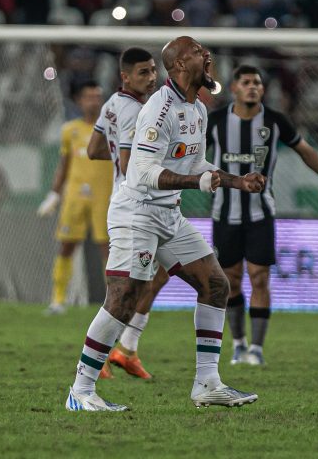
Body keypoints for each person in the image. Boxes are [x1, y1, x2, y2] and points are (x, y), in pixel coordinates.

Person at [65, 36, 266, 412]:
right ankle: (81, 389)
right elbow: (139, 173)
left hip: (168, 214)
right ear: (177, 66)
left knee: (215, 285)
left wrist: (238, 180)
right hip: (137, 212)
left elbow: (195, 167)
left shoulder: (198, 109)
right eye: (195, 52)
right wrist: (196, 183)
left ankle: (207, 383)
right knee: (124, 298)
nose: (206, 54)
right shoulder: (159, 110)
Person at [206, 65, 318, 366]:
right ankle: (238, 344)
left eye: (257, 83)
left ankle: (257, 350)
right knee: (231, 280)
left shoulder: (275, 122)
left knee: (260, 278)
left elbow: (307, 152)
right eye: (246, 82)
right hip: (224, 214)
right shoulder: (216, 122)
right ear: (234, 88)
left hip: (262, 213)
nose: (253, 87)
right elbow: (189, 153)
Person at [87, 47, 169, 380]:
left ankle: (127, 349)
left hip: (138, 204)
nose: (151, 78)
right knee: (125, 289)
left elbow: (94, 150)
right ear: (125, 76)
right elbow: (124, 162)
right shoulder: (136, 111)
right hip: (137, 206)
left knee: (159, 274)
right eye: (143, 73)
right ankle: (102, 355)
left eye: (153, 71)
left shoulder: (111, 104)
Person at [37, 80, 113, 317]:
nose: (93, 101)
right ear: (80, 101)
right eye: (89, 97)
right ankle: (58, 300)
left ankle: (113, 302)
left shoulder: (110, 129)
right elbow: (64, 165)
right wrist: (53, 194)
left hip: (105, 196)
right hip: (75, 196)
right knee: (67, 245)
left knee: (108, 249)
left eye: (97, 97)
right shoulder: (70, 130)